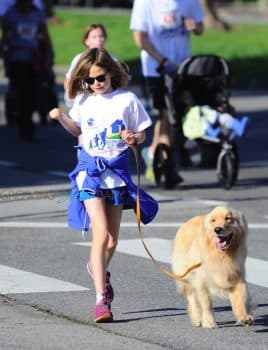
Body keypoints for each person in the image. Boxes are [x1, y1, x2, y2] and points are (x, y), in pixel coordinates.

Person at [49, 48, 158, 323]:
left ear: (111, 73)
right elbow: (78, 129)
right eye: (89, 80)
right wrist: (62, 118)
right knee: (100, 233)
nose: (96, 83)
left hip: (116, 176)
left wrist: (134, 137)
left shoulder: (127, 100)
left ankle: (96, 268)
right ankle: (101, 300)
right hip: (90, 174)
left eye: (100, 77)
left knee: (111, 240)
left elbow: (143, 131)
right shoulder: (84, 102)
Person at [130, 0, 204, 187]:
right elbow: (140, 38)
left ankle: (154, 153)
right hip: (157, 69)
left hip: (182, 68)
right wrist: (162, 61)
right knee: (165, 115)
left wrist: (194, 26)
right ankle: (165, 162)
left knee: (174, 116)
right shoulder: (145, 3)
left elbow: (200, 28)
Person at [0, 0, 53, 141]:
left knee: (34, 93)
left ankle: (27, 118)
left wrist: (49, 54)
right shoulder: (11, 14)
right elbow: (5, 37)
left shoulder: (38, 15)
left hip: (34, 60)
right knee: (21, 93)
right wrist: (5, 59)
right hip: (17, 60)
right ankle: (25, 126)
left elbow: (44, 35)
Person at [64, 23, 110, 154]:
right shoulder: (80, 59)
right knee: (86, 140)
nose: (98, 39)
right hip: (87, 108)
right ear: (86, 40)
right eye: (94, 37)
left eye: (101, 36)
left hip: (106, 107)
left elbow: (119, 84)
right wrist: (76, 99)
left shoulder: (111, 59)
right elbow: (69, 82)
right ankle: (85, 163)